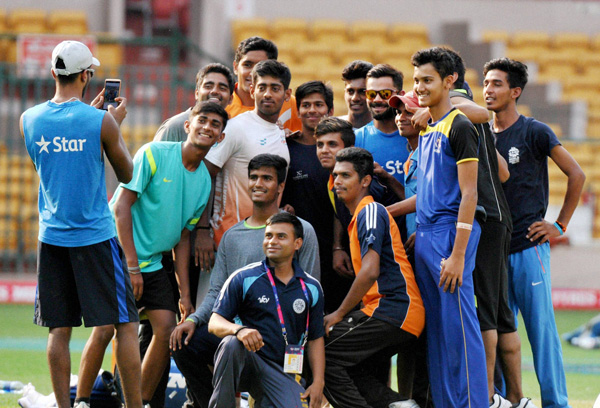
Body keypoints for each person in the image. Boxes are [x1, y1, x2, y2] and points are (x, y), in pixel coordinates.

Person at [20, 40, 141, 408]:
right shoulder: (101, 120)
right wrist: (111, 127)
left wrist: (91, 127)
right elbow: (127, 172)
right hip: (94, 238)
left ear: (54, 73)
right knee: (126, 325)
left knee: (60, 329)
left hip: (52, 236)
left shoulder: (30, 118)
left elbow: (52, 165)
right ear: (87, 75)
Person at [88, 101, 224, 408]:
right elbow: (121, 208)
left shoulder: (204, 180)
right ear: (188, 125)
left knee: (166, 329)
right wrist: (132, 267)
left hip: (153, 263)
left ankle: (138, 402)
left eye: (215, 124)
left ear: (221, 137)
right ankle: (81, 399)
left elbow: (183, 236)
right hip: (120, 255)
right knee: (106, 329)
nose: (207, 127)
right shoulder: (154, 153)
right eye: (202, 120)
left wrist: (186, 295)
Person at [170, 154, 320, 407]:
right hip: (237, 336)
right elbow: (217, 289)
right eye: (253, 177)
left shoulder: (301, 231)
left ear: (281, 186)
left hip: (281, 343)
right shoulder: (232, 236)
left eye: (267, 178)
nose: (258, 183)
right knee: (183, 341)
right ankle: (210, 402)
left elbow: (308, 294)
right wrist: (194, 319)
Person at [484, 57, 585, 408]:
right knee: (495, 335)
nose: (488, 90)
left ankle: (556, 403)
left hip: (528, 249)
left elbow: (577, 174)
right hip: (492, 252)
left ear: (515, 91)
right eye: (486, 83)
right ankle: (501, 400)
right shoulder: (478, 134)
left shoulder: (533, 131)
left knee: (541, 334)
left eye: (497, 83)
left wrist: (559, 225)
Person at [411, 47, 488, 408]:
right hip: (426, 234)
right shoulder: (429, 126)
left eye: (427, 80)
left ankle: (473, 403)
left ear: (449, 80)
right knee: (438, 334)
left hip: (450, 235)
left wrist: (457, 254)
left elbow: (469, 193)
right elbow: (430, 188)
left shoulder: (459, 125)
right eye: (417, 80)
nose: (420, 87)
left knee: (459, 327)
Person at [323, 147, 425, 408]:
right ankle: (397, 404)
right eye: (335, 176)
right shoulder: (361, 216)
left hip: (392, 309)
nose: (338, 182)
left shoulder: (370, 211)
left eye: (346, 175)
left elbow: (371, 271)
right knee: (339, 362)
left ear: (365, 181)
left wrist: (339, 314)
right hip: (390, 311)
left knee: (322, 355)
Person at [207, 212, 325, 408]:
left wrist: (318, 382)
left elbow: (315, 338)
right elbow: (214, 322)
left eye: (281, 236)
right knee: (230, 344)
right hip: (248, 361)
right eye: (268, 235)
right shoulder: (243, 277)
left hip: (282, 370)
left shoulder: (311, 288)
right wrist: (240, 330)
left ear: (297, 244)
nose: (272, 241)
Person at [314, 117, 399, 311]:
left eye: (332, 144)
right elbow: (340, 212)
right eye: (320, 144)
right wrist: (337, 246)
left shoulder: (369, 186)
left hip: (388, 285)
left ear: (349, 147)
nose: (324, 150)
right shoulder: (335, 180)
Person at [204, 59, 292, 246]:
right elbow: (204, 176)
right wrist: (202, 230)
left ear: (287, 94)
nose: (267, 94)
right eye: (262, 87)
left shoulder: (280, 133)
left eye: (275, 89)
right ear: (252, 90)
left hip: (266, 241)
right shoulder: (236, 128)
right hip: (227, 239)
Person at [281, 80, 335, 289]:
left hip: (336, 251)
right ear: (298, 110)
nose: (312, 110)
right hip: (297, 250)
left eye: (318, 105)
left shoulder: (341, 149)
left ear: (330, 110)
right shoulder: (285, 147)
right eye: (306, 105)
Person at [226, 36, 301, 132]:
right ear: (236, 67)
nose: (253, 73)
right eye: (247, 65)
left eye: (260, 66)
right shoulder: (223, 105)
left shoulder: (291, 105)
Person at [355, 64, 410, 186]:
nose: (377, 99)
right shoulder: (356, 139)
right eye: (371, 94)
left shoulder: (417, 136)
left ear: (401, 95)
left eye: (385, 94)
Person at [154, 63, 234, 143]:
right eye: (208, 86)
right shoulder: (175, 127)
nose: (214, 91)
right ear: (196, 93)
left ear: (231, 98)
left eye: (222, 88)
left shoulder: (233, 130)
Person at [338, 60, 374, 129]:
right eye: (350, 91)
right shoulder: (333, 130)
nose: (355, 98)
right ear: (344, 93)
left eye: (362, 92)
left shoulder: (385, 131)